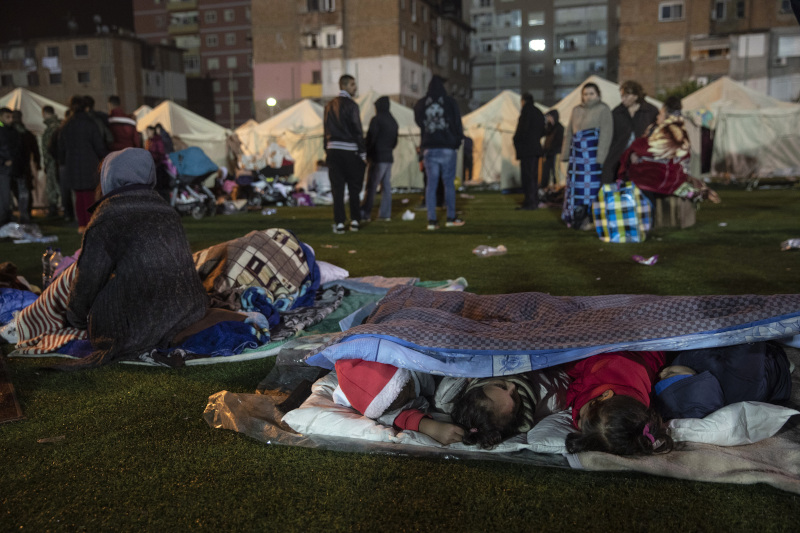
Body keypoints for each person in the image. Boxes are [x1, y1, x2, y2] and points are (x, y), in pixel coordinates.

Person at [63, 148, 209, 370]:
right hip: (189, 311)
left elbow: (88, 279)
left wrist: (74, 319)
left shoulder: (107, 215)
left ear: (108, 177)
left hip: (138, 326)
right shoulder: (165, 208)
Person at [563, 350, 671, 456]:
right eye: (581, 416)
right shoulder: (601, 367)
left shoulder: (637, 414)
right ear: (604, 396)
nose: (577, 419)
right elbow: (574, 372)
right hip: (643, 350)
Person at [617, 96, 720, 204]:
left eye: (660, 113)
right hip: (674, 174)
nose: (657, 116)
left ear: (667, 113)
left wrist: (634, 150)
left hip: (665, 175)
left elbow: (650, 147)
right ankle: (695, 193)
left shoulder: (671, 129)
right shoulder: (672, 126)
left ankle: (694, 193)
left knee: (641, 178)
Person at [654, 342, 792, 421]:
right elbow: (751, 335)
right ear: (692, 381)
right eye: (670, 374)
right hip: (774, 362)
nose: (662, 371)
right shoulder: (738, 377)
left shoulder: (707, 390)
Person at [414, 75, 464, 230]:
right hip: (447, 148)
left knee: (431, 185)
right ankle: (450, 217)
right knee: (448, 184)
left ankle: (432, 221)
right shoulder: (450, 102)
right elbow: (457, 124)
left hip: (430, 148)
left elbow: (419, 121)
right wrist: (456, 142)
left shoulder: (422, 104)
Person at [560, 82, 613, 230]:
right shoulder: (576, 110)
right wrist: (565, 154)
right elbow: (569, 132)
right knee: (575, 188)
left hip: (592, 156)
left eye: (591, 93)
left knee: (591, 190)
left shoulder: (603, 109)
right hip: (577, 157)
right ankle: (575, 216)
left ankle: (590, 218)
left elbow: (606, 134)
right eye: (585, 94)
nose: (588, 97)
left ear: (598, 95)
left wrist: (600, 158)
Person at [323, 74, 366, 234]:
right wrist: (362, 152)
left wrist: (327, 149)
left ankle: (339, 222)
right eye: (353, 85)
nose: (355, 88)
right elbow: (357, 129)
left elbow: (325, 129)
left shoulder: (328, 105)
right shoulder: (352, 105)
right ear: (346, 86)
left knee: (337, 189)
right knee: (354, 188)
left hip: (333, 150)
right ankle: (355, 220)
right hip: (350, 150)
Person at [58, 95, 108, 233]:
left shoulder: (66, 125)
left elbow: (60, 146)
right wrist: (104, 157)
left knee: (79, 196)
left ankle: (81, 224)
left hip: (72, 163)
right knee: (89, 196)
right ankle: (91, 223)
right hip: (89, 163)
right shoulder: (90, 123)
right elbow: (98, 145)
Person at [601, 80, 659, 185]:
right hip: (618, 157)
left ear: (636, 96)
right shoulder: (617, 112)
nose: (623, 99)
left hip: (643, 158)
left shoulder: (650, 111)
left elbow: (656, 135)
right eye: (621, 96)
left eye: (626, 96)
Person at [360, 96, 398, 222]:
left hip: (377, 157)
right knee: (386, 187)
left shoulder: (376, 120)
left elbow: (371, 139)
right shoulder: (393, 121)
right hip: (388, 157)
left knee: (372, 186)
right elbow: (394, 142)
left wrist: (367, 153)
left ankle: (365, 213)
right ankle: (385, 214)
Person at [512, 92, 545, 210]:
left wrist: (516, 140)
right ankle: (534, 200)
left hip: (527, 149)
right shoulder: (539, 112)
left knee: (527, 177)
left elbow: (522, 130)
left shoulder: (526, 112)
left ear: (523, 101)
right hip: (536, 148)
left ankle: (530, 202)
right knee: (534, 177)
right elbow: (543, 130)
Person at [10, 110, 39, 223]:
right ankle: (25, 214)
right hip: (19, 167)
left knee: (22, 192)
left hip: (19, 167)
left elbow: (34, 150)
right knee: (23, 191)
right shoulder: (24, 133)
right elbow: (35, 150)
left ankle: (25, 214)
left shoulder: (23, 134)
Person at [0, 107, 22, 225]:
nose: (11, 119)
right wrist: (3, 162)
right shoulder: (3, 130)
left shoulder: (13, 130)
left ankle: (7, 217)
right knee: (4, 195)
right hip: (4, 168)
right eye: (7, 117)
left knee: (8, 194)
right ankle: (3, 219)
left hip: (12, 168)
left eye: (11, 117)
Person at [41, 105, 62, 217]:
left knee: (53, 186)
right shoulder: (59, 125)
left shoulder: (51, 128)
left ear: (44, 113)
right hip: (59, 161)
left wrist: (47, 162)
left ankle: (54, 209)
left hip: (52, 162)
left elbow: (48, 148)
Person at [541, 109, 563, 190]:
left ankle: (557, 188)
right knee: (545, 171)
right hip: (547, 153)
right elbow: (545, 138)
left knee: (555, 171)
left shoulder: (559, 127)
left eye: (549, 116)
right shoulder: (549, 128)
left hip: (555, 153)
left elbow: (558, 142)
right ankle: (544, 188)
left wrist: (550, 150)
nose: (548, 118)